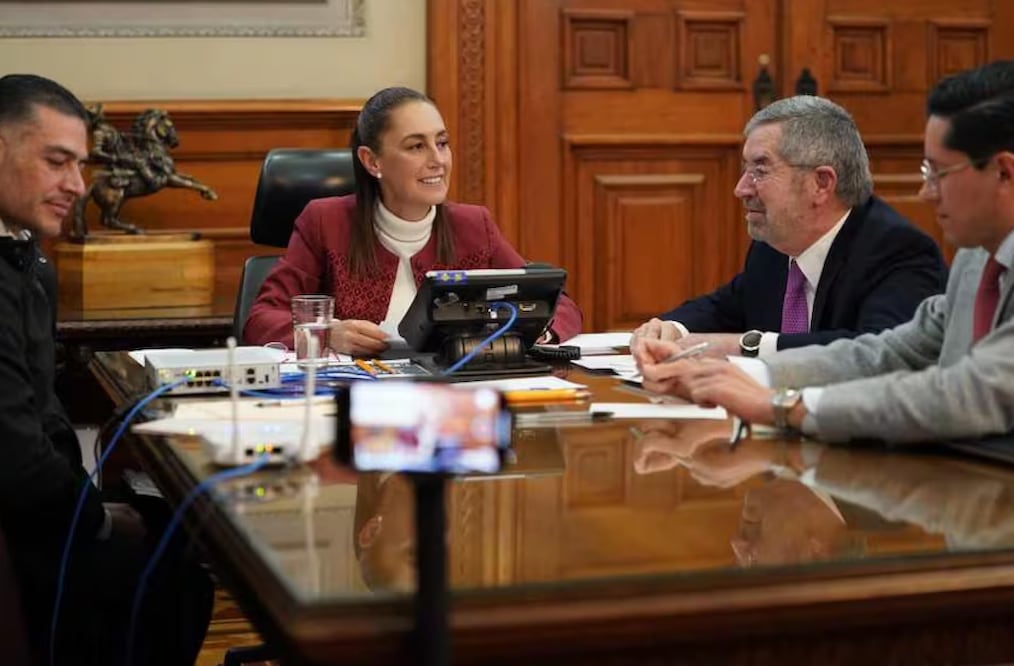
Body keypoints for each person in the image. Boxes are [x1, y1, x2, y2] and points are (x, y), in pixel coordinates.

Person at [633, 60, 1014, 444]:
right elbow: (886, 354)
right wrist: (736, 378)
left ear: (1004, 172)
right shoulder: (977, 258)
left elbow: (970, 391)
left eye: (939, 173)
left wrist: (783, 406)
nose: (926, 192)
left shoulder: (899, 248)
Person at [0, 74, 212, 665]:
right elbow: (17, 460)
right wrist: (97, 520)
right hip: (25, 543)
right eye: (56, 161)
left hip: (44, 513)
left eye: (81, 164)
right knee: (178, 576)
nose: (77, 185)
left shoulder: (25, 255)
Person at [245, 86, 583, 355]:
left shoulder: (473, 225)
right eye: (416, 147)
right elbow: (260, 320)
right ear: (372, 161)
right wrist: (326, 335)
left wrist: (541, 330)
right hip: (357, 399)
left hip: (454, 401)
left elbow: (557, 305)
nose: (438, 160)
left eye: (442, 143)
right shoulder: (325, 222)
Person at [633, 95, 946, 358]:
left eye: (760, 170)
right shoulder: (774, 246)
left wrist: (747, 346)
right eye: (746, 170)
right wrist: (670, 328)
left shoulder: (898, 252)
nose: (741, 189)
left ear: (821, 183)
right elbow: (726, 305)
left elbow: (877, 352)